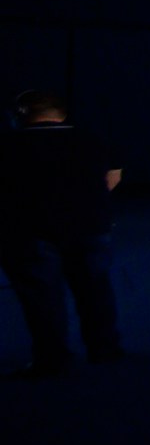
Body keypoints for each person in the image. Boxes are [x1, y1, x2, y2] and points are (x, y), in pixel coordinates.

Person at [1, 91, 125, 378]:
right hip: (90, 224)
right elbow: (111, 179)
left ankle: (52, 359)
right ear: (63, 112)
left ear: (20, 113)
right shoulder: (93, 139)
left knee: (42, 296)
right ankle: (105, 349)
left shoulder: (6, 144)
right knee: (95, 290)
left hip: (28, 230)